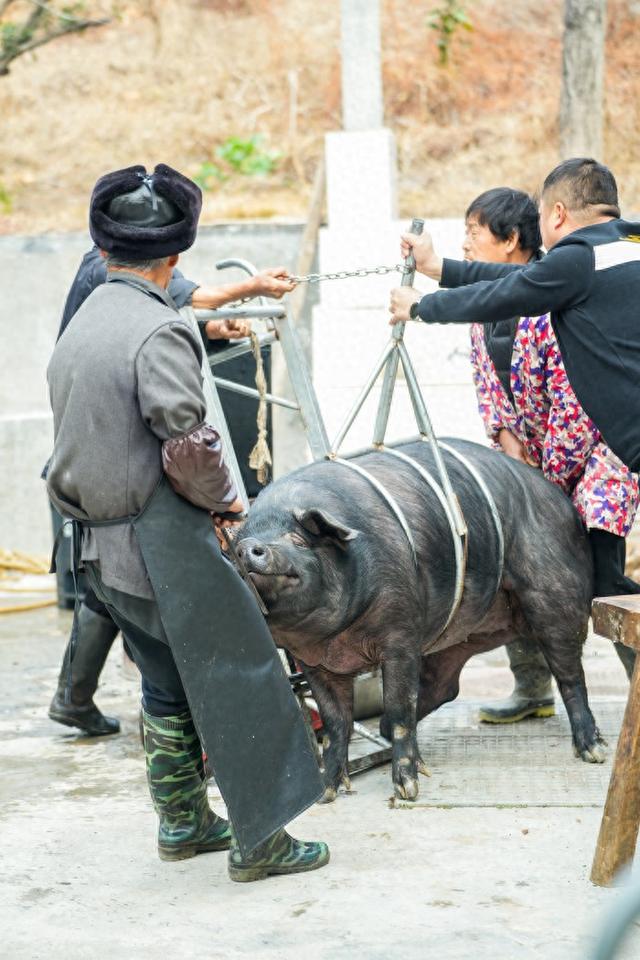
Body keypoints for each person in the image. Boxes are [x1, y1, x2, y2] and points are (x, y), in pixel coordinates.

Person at [46, 162, 329, 882]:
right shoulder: (159, 330)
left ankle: (182, 821)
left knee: (166, 680)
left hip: (96, 548)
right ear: (174, 257)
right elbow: (187, 447)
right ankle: (262, 840)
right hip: (159, 544)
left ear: (103, 248)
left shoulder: (82, 323)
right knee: (244, 674)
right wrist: (229, 505)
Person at [389, 157, 640, 675]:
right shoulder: (627, 243)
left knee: (606, 582)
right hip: (611, 449)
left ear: (558, 214)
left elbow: (511, 290)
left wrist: (421, 307)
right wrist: (440, 270)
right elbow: (521, 279)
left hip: (603, 452)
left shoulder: (577, 258)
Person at [48, 246, 292, 736]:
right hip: (125, 480)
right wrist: (226, 504)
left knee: (110, 591)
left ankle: (74, 696)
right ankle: (93, 705)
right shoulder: (120, 272)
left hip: (93, 475)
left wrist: (209, 330)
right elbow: (186, 440)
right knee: (163, 665)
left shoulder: (102, 300)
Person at [459, 187, 639, 722]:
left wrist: (545, 478)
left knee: (602, 581)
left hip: (595, 459)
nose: (464, 244)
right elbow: (487, 386)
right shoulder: (486, 308)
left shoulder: (559, 295)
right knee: (519, 573)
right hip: (530, 467)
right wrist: (506, 442)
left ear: (511, 240)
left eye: (473, 232)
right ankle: (533, 689)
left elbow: (576, 397)